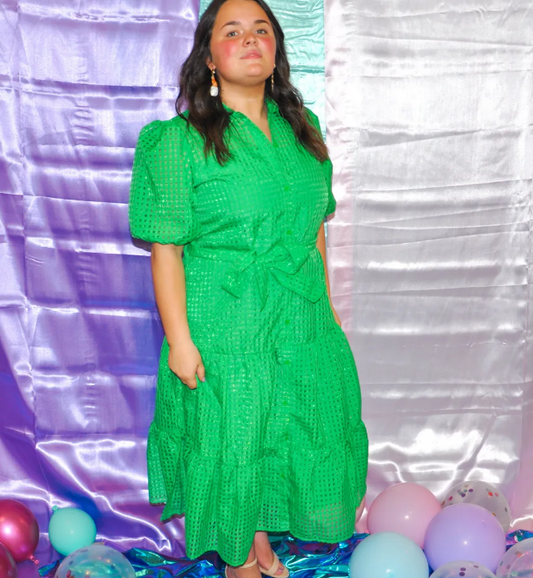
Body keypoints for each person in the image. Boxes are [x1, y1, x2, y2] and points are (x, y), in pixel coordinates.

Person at [128, 0, 368, 576]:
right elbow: (167, 249)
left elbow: (314, 231)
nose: (250, 39)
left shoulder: (302, 133)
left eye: (261, 29)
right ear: (209, 56)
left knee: (288, 426)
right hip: (226, 320)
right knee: (236, 435)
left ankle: (257, 536)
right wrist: (179, 340)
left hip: (301, 316)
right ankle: (240, 559)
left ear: (277, 48)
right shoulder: (179, 142)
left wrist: (328, 310)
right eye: (232, 31)